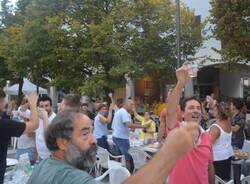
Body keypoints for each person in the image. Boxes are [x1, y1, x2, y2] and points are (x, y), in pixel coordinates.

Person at [27, 110, 200, 184]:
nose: (94, 140)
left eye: (92, 132)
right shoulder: (69, 177)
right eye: (85, 133)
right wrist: (170, 152)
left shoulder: (44, 165)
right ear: (62, 142)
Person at [165, 64, 215, 184]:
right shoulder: (176, 131)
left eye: (198, 108)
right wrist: (180, 83)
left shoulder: (207, 136)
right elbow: (170, 112)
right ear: (182, 113)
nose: (196, 110)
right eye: (191, 107)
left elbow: (209, 167)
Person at [0, 90, 39, 184]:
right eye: (3, 100)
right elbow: (34, 125)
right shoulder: (3, 125)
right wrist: (33, 104)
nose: (5, 103)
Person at [112, 99, 150, 172]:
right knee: (128, 158)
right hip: (121, 138)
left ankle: (115, 173)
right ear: (125, 104)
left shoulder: (121, 112)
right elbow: (129, 125)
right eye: (131, 104)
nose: (133, 106)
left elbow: (126, 126)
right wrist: (143, 126)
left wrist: (131, 128)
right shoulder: (124, 112)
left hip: (116, 136)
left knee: (118, 156)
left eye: (133, 104)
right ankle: (129, 176)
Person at [208, 102, 233, 181]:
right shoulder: (228, 122)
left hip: (217, 159)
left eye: (215, 110)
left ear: (219, 113)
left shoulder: (216, 127)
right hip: (227, 156)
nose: (213, 111)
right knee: (224, 180)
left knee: (218, 180)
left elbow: (207, 144)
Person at [36, 96, 56, 160]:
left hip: (51, 156)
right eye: (42, 106)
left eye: (47, 106)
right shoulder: (39, 117)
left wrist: (45, 118)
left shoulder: (55, 119)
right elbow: (22, 111)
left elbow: (48, 136)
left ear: (51, 106)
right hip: (40, 155)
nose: (44, 108)